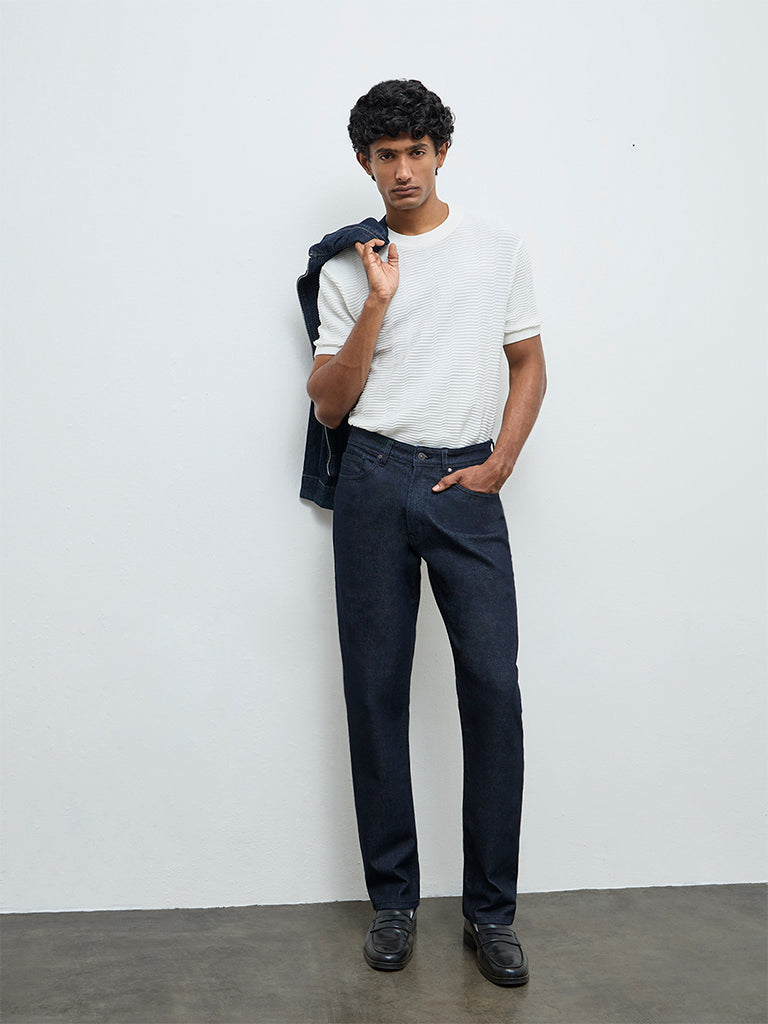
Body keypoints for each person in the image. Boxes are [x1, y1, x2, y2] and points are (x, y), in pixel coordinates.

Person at [300, 79, 546, 987]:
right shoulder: (347, 265)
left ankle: (492, 914)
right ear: (365, 163)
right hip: (373, 479)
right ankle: (394, 904)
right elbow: (329, 405)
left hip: (464, 481)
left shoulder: (496, 248)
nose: (402, 170)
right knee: (375, 692)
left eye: (415, 151)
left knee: (493, 690)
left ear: (441, 152)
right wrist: (376, 300)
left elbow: (528, 363)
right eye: (385, 155)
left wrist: (500, 463)